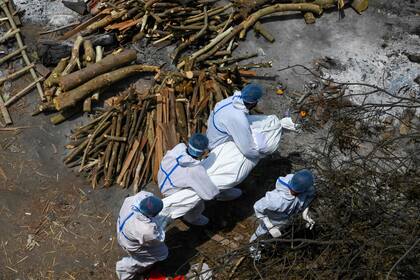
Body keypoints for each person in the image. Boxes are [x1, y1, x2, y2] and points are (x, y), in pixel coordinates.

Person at [206, 83, 265, 201]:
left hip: (212, 137)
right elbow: (247, 150)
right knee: (242, 163)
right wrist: (260, 154)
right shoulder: (238, 118)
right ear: (254, 102)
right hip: (218, 146)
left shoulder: (228, 101)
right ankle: (220, 192)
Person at [249, 169, 316, 259]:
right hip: (273, 220)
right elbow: (257, 207)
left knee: (271, 238)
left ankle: (265, 245)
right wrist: (269, 226)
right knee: (261, 235)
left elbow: (306, 200)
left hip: (286, 220)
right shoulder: (276, 199)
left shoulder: (303, 188)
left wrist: (305, 215)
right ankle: (253, 250)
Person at [158, 133, 219, 226]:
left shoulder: (177, 149)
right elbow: (209, 195)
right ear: (202, 152)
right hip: (171, 192)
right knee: (198, 200)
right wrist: (216, 192)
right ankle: (191, 218)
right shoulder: (195, 169)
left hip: (162, 181)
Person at [116, 192, 167, 280]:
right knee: (162, 253)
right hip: (129, 243)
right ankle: (124, 270)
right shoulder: (145, 230)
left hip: (122, 229)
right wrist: (161, 226)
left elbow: (147, 194)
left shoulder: (135, 199)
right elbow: (158, 239)